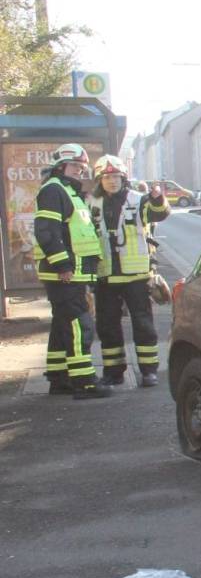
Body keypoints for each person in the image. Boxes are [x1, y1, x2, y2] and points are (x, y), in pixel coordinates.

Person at [31, 143, 109, 399]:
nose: (80, 170)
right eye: (75, 166)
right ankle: (84, 382)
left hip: (71, 272)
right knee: (79, 324)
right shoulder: (54, 190)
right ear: (61, 166)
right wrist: (63, 265)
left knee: (63, 323)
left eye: (82, 167)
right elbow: (46, 231)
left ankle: (59, 377)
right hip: (66, 273)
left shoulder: (66, 190)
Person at [87, 155, 170, 387]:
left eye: (116, 177)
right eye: (107, 178)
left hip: (137, 276)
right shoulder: (92, 203)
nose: (112, 181)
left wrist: (158, 198)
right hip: (105, 275)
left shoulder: (138, 199)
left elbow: (160, 213)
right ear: (99, 180)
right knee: (107, 326)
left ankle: (149, 371)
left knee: (143, 324)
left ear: (123, 178)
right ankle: (113, 372)